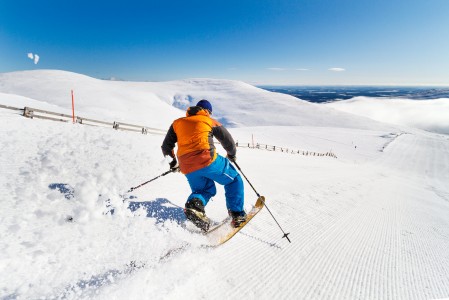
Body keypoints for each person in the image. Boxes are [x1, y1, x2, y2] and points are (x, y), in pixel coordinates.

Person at [161, 99, 246, 231]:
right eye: (209, 113)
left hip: (186, 166)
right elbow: (227, 140)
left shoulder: (177, 123)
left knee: (204, 190)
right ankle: (237, 215)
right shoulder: (208, 121)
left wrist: (173, 164)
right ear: (206, 111)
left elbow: (166, 147)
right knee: (234, 180)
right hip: (207, 159)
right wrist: (231, 154)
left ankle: (194, 206)